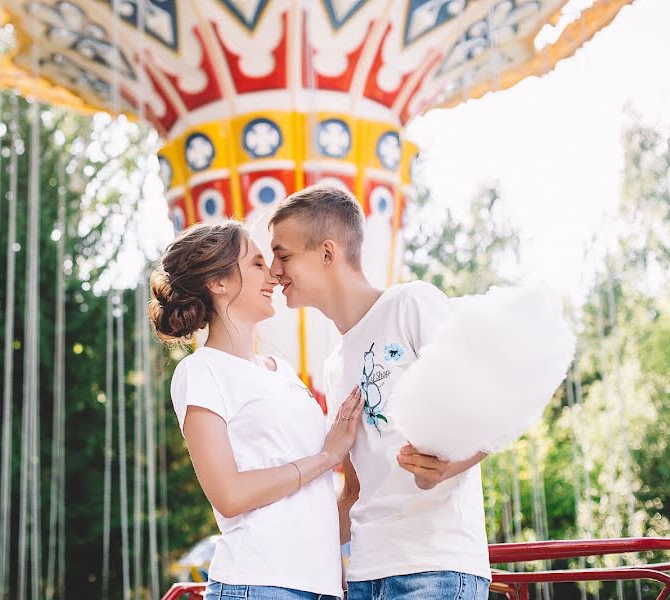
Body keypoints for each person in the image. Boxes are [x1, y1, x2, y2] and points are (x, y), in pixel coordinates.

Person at [268, 185, 491, 600]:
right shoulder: (334, 366)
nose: (274, 272)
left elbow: (490, 410)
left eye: (283, 256)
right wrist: (269, 545)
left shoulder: (413, 304)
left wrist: (450, 463)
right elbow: (354, 492)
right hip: (364, 577)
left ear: (327, 253)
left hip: (435, 570)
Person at [149, 220, 364, 600]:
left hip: (321, 586)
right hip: (259, 583)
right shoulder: (201, 370)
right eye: (257, 264)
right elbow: (229, 495)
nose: (274, 275)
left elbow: (308, 499)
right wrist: (328, 456)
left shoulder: (281, 371)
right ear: (218, 282)